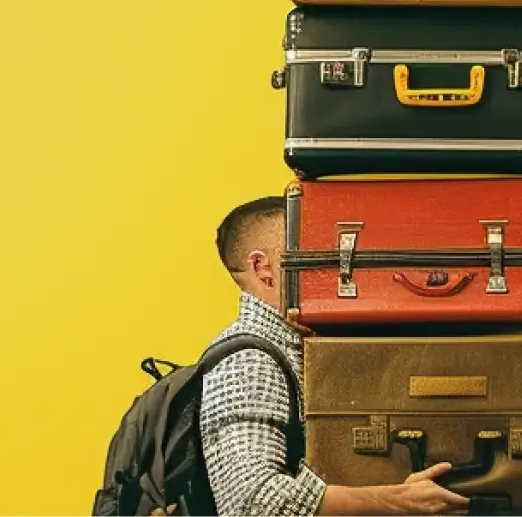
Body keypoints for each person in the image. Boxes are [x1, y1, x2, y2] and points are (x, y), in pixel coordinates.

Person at [200, 195, 470, 516]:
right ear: (263, 268)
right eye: (309, 253)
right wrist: (401, 501)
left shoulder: (303, 344)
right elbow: (254, 502)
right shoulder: (249, 360)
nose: (334, 266)